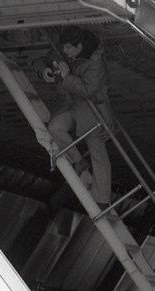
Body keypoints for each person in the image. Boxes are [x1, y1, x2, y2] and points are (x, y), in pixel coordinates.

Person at [42, 29, 116, 207]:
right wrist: (45, 71)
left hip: (93, 113)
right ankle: (78, 160)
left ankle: (102, 199)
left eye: (68, 47)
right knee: (55, 127)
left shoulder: (96, 62)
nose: (65, 51)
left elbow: (87, 90)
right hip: (75, 107)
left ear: (80, 46)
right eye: (64, 47)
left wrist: (66, 76)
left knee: (98, 154)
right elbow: (46, 58)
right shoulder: (71, 54)